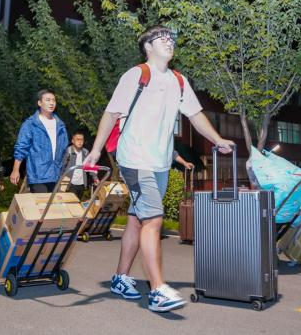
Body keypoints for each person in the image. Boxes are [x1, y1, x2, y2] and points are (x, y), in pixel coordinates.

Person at [83, 25, 234, 313]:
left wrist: (217, 140)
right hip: (135, 159)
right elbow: (111, 113)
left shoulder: (179, 80)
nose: (169, 41)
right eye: (161, 37)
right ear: (148, 47)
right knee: (153, 218)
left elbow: (195, 115)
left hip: (160, 162)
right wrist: (96, 149)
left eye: (171, 38)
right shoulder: (136, 75)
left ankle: (120, 278)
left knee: (136, 220)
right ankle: (157, 290)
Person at [9, 89, 69, 193]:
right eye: (48, 100)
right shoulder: (31, 124)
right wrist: (15, 170)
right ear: (40, 103)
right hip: (38, 175)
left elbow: (64, 148)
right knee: (41, 203)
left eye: (53, 100)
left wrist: (62, 169)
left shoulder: (60, 125)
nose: (51, 103)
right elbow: (21, 147)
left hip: (56, 174)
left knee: (54, 203)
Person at [61, 130, 92, 199]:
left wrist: (95, 178)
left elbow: (90, 167)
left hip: (82, 183)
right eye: (77, 139)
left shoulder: (85, 152)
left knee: (78, 201)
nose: (80, 142)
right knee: (71, 201)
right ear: (73, 141)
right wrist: (60, 180)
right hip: (70, 183)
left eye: (82, 140)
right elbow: (62, 166)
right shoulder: (68, 151)